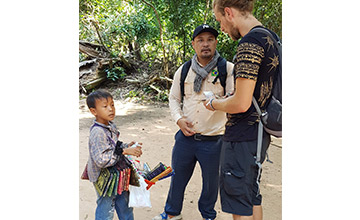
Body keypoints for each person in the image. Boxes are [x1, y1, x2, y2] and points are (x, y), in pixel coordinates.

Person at [203, 1, 281, 220]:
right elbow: (255, 93)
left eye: (220, 22)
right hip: (259, 132)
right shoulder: (270, 37)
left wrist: (214, 104)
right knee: (251, 195)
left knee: (239, 202)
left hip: (243, 135)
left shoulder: (250, 43)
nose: (223, 29)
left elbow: (241, 104)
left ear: (229, 13)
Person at [153, 24, 234, 220]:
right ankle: (172, 213)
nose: (205, 44)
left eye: (210, 39)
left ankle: (208, 215)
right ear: (193, 44)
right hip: (185, 139)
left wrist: (218, 104)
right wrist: (179, 120)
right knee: (178, 177)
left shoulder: (227, 69)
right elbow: (174, 99)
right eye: (200, 40)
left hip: (214, 140)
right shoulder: (185, 70)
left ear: (215, 42)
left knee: (210, 183)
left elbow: (234, 99)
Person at [85, 89, 143, 220]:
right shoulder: (97, 133)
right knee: (106, 208)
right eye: (105, 106)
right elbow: (101, 160)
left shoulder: (110, 125)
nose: (111, 109)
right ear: (94, 111)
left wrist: (126, 146)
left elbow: (113, 144)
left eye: (112, 105)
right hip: (104, 178)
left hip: (118, 174)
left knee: (125, 204)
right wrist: (124, 151)